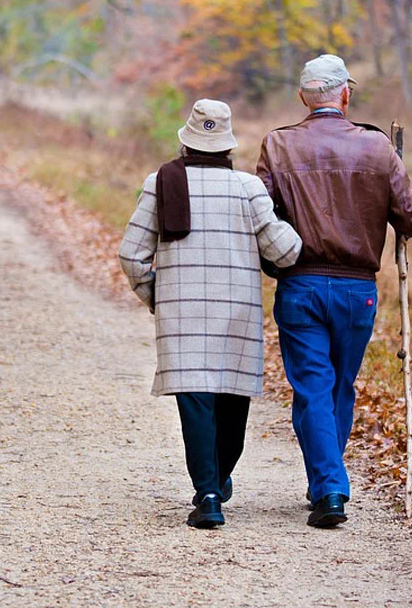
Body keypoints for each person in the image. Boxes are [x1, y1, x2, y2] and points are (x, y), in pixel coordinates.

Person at [256, 54, 412, 528]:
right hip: (357, 291)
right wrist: (393, 172)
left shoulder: (278, 144)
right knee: (338, 386)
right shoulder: (376, 147)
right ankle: (328, 485)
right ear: (345, 95)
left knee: (313, 386)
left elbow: (258, 213)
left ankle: (327, 486)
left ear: (302, 98)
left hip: (300, 283)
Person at [118, 99, 302, 529]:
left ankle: (209, 494)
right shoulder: (248, 188)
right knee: (231, 400)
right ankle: (217, 481)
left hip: (181, 315)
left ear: (186, 142)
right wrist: (291, 223)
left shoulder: (159, 183)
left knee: (195, 401)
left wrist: (156, 296)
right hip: (236, 312)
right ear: (228, 148)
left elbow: (131, 255)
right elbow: (285, 252)